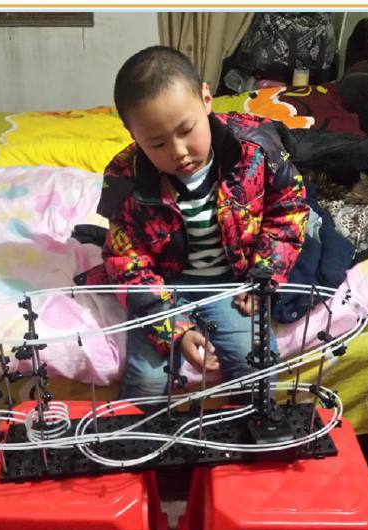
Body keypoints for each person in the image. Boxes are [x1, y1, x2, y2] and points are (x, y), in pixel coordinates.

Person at [93, 46, 309, 401]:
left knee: (256, 367)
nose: (178, 151)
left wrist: (263, 277)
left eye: (187, 130)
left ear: (207, 99)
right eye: (157, 143)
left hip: (233, 287)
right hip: (163, 289)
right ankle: (141, 438)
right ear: (132, 134)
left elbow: (289, 209)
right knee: (146, 381)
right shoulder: (124, 178)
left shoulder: (256, 149)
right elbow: (126, 262)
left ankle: (246, 436)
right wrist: (174, 330)